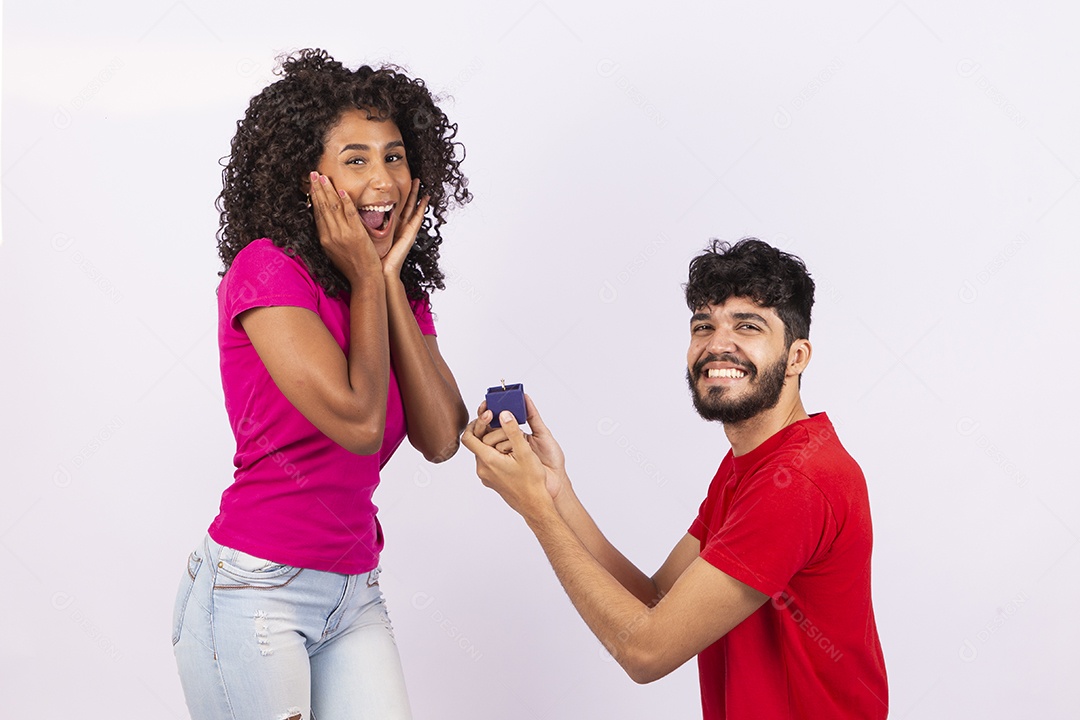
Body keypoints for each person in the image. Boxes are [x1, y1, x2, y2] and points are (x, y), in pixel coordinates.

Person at [462, 238, 888, 719]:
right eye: (703, 326)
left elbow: (645, 652)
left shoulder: (798, 481)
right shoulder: (751, 466)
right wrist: (555, 492)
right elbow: (656, 599)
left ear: (797, 357)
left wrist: (536, 511)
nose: (717, 344)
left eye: (747, 326)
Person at [172, 49, 470, 720]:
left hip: (353, 590)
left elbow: (442, 437)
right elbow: (360, 423)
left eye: (395, 156)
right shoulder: (267, 271)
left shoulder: (395, 289)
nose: (383, 179)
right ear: (305, 176)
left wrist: (385, 280)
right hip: (253, 590)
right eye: (355, 159)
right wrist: (367, 278)